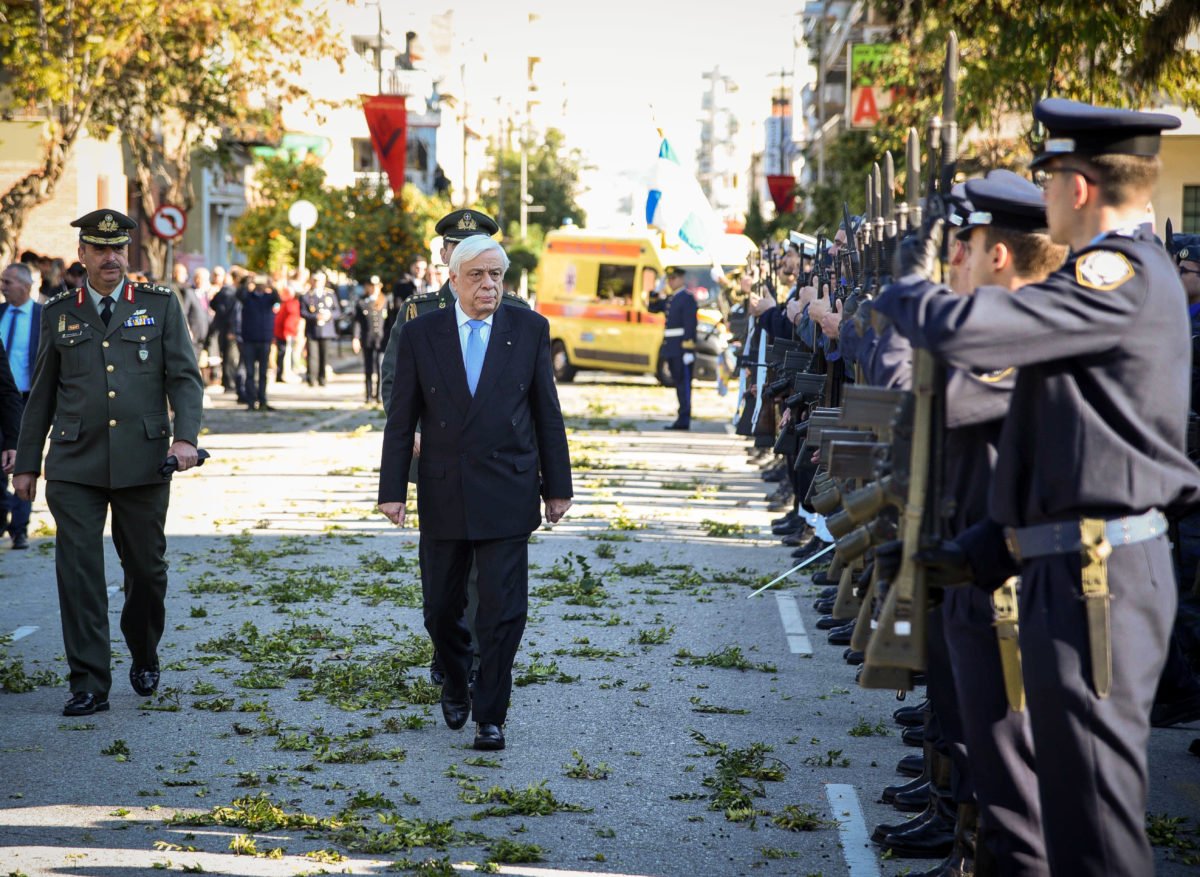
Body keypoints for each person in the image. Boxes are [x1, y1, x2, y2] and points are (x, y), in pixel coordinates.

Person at [873, 99, 1200, 876]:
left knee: (1092, 832)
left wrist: (905, 285)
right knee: (1058, 812)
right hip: (1071, 566)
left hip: (1101, 580)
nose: (1043, 194)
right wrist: (982, 547)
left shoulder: (1113, 274)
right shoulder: (1107, 278)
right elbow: (1065, 438)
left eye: (1049, 176)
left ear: (1078, 187)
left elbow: (965, 332)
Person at [377, 234, 573, 751]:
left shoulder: (528, 329)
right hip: (444, 489)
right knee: (440, 608)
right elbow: (402, 419)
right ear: (454, 279)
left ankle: (491, 713)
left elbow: (546, 413)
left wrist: (558, 487)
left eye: (496, 276)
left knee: (503, 609)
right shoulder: (422, 333)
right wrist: (392, 488)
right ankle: (457, 678)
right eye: (478, 276)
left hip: (508, 487)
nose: (489, 286)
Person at [12, 209, 204, 717]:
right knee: (78, 572)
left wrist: (184, 439)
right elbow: (42, 395)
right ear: (82, 255)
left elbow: (185, 379)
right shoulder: (58, 312)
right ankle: (89, 682)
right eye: (99, 249)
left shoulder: (159, 306)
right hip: (75, 463)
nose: (110, 257)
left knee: (146, 570)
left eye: (118, 248)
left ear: (128, 253)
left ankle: (143, 649)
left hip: (145, 461)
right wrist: (27, 465)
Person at [379, 209, 528, 688]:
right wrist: (414, 433)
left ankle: (480, 660)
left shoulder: (517, 311)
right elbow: (394, 382)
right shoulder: (418, 312)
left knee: (487, 574)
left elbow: (531, 394)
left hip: (496, 465)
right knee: (445, 573)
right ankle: (450, 650)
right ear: (445, 256)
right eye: (455, 247)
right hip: (439, 458)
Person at [0, 263, 42, 549]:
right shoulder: (0, 313)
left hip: (29, 400)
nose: (3, 286)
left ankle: (19, 528)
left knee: (23, 462)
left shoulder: (44, 316)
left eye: (8, 282)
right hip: (2, 399)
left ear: (26, 286)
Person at [649, 265, 698, 430]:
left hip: (681, 349)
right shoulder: (671, 298)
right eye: (669, 279)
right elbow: (653, 308)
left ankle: (684, 418)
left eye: (673, 278)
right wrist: (656, 290)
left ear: (681, 279)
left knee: (684, 384)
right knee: (678, 383)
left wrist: (688, 350)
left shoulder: (687, 298)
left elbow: (690, 325)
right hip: (671, 348)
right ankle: (681, 416)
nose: (671, 282)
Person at [238, 276, 281, 411]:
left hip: (264, 339)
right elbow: (239, 294)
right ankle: (251, 401)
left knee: (263, 373)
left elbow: (277, 298)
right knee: (250, 373)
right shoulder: (248, 297)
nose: (261, 286)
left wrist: (271, 284)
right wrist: (247, 281)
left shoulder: (268, 298)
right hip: (250, 339)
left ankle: (262, 400)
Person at [208, 268, 245, 401]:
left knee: (226, 355)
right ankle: (230, 382)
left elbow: (212, 304)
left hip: (223, 328)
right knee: (231, 357)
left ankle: (227, 381)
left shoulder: (223, 292)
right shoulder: (233, 293)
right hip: (230, 329)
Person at [299, 271, 340, 387]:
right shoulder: (307, 295)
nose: (317, 283)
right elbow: (303, 312)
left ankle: (322, 378)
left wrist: (329, 315)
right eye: (315, 280)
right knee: (312, 355)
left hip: (326, 330)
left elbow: (338, 311)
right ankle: (311, 378)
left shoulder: (330, 294)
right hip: (313, 330)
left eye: (320, 281)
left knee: (324, 355)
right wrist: (315, 316)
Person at [353, 275, 388, 403]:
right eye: (371, 286)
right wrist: (355, 338)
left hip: (382, 339)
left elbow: (389, 322)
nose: (374, 289)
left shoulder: (384, 301)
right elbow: (357, 322)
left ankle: (379, 395)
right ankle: (368, 395)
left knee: (380, 366)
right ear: (367, 287)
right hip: (367, 338)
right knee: (368, 368)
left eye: (376, 286)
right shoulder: (362, 302)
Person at [273, 280, 303, 384]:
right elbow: (289, 320)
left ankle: (280, 374)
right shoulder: (291, 303)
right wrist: (289, 332)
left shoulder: (288, 302)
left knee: (283, 353)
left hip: (285, 331)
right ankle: (283, 374)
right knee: (285, 354)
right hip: (286, 332)